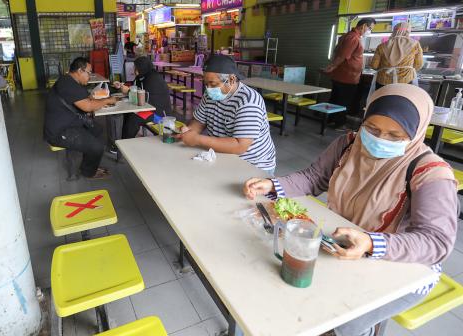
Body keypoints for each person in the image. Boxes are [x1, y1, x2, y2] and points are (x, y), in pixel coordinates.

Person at [243, 84, 458, 336]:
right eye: (372, 128)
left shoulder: (430, 172)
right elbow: (314, 177)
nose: (380, 139)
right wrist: (273, 185)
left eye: (395, 135)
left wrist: (371, 243)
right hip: (345, 242)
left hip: (405, 267)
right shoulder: (349, 144)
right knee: (298, 294)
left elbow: (435, 241)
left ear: (416, 132)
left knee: (339, 322)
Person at [175, 55, 276, 175]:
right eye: (206, 83)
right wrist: (189, 131)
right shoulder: (209, 95)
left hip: (253, 165)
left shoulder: (248, 101)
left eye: (213, 84)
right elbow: (199, 121)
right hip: (224, 155)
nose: (208, 89)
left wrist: (197, 139)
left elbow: (239, 146)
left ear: (231, 79)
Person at [43, 57, 119, 179]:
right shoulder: (68, 85)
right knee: (97, 147)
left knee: (98, 130)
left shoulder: (70, 81)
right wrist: (107, 100)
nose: (90, 76)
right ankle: (88, 172)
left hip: (71, 122)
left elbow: (86, 99)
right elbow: (88, 106)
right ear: (79, 71)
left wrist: (99, 101)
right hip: (59, 131)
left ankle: (88, 165)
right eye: (89, 73)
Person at [325, 18, 376, 130]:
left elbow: (338, 53)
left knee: (336, 99)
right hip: (347, 76)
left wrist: (333, 67)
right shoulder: (353, 38)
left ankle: (331, 120)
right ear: (364, 26)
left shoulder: (347, 36)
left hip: (342, 75)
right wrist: (332, 66)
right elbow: (343, 56)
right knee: (343, 101)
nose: (369, 31)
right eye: (370, 28)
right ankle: (339, 123)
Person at [115, 56, 172, 139]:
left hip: (159, 114)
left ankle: (125, 142)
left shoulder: (153, 79)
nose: (134, 70)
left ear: (142, 67)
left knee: (134, 118)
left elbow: (145, 98)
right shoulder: (142, 76)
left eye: (136, 67)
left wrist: (128, 91)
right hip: (148, 108)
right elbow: (135, 88)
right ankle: (125, 139)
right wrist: (121, 85)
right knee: (128, 114)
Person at [371, 22, 423, 89]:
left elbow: (374, 65)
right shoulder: (415, 45)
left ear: (394, 31)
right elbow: (418, 65)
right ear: (408, 31)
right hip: (405, 81)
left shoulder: (381, 46)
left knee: (382, 96)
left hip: (383, 82)